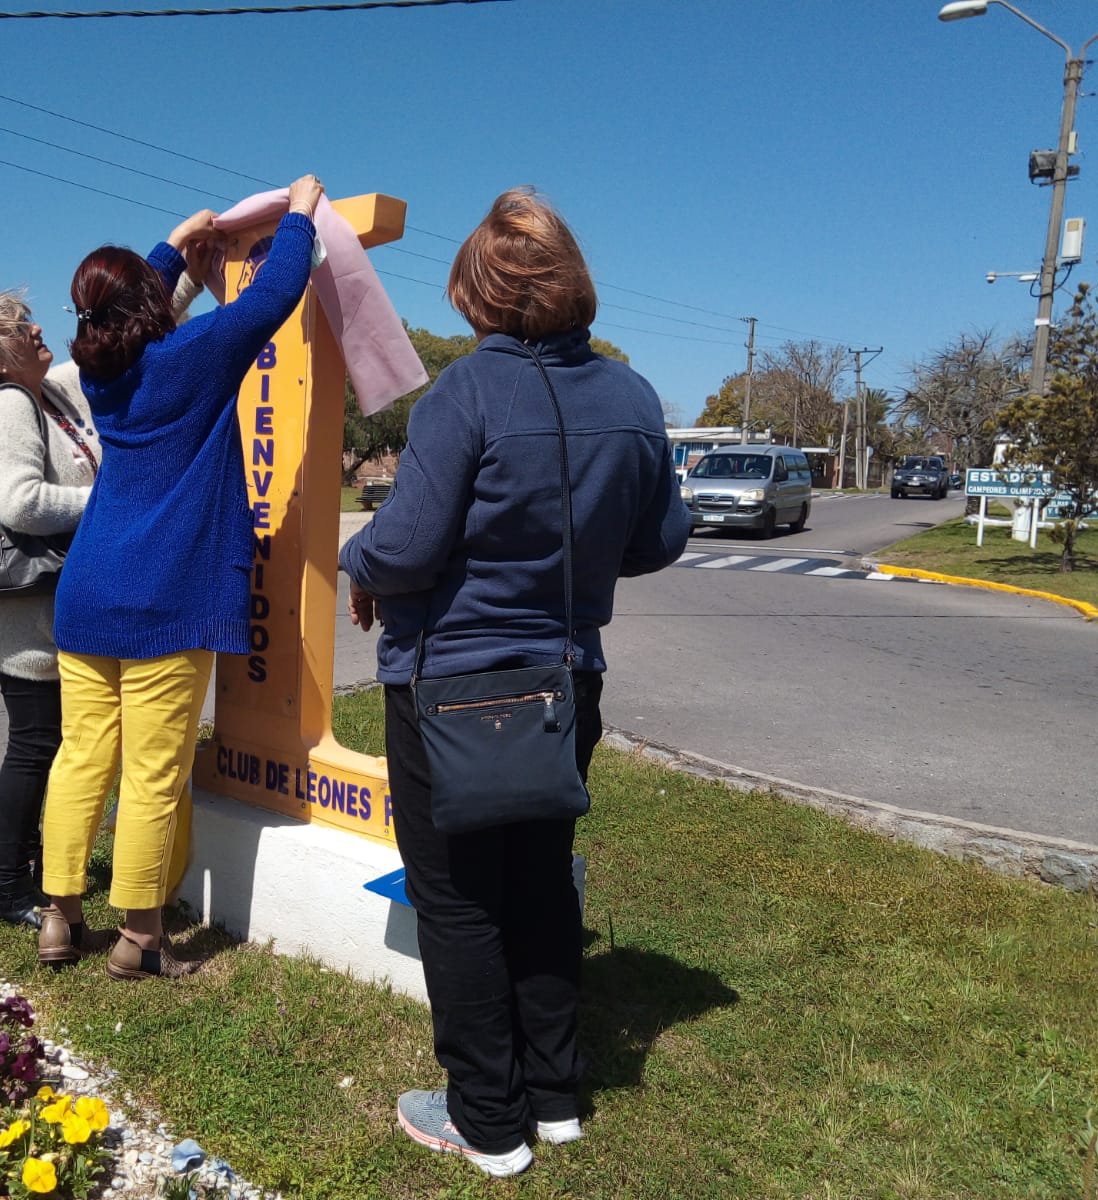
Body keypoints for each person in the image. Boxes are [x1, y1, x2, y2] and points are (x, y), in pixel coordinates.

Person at [339, 187, 691, 1176]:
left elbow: (404, 549)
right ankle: (554, 1093)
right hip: (564, 683)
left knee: (456, 901)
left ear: (477, 295)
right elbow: (659, 539)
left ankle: (486, 1122)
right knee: (540, 881)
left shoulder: (464, 394)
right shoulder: (631, 397)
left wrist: (359, 566)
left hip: (449, 687)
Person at [38, 174, 326, 980]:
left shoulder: (100, 368)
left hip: (89, 591)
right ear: (146, 308)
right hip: (167, 595)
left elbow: (128, 304)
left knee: (80, 757)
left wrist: (170, 243)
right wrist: (301, 213)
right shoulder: (193, 355)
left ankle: (58, 917)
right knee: (153, 773)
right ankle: (140, 935)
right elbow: (273, 296)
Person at [0, 278, 203, 935]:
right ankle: (10, 889)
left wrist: (187, 273)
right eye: (16, 327)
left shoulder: (54, 387)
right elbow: (18, 502)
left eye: (29, 318)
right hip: (27, 612)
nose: (34, 329)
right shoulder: (8, 404)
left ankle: (46, 881)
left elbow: (129, 333)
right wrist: (112, 505)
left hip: (63, 598)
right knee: (38, 746)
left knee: (62, 748)